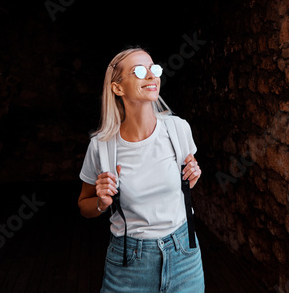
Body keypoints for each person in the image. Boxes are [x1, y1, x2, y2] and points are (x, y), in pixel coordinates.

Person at [77, 46, 205, 292]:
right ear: (117, 88)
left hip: (184, 254)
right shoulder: (102, 146)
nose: (150, 75)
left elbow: (184, 183)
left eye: (153, 68)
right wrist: (101, 203)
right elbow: (84, 205)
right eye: (138, 70)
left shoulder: (178, 129)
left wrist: (192, 176)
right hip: (129, 261)